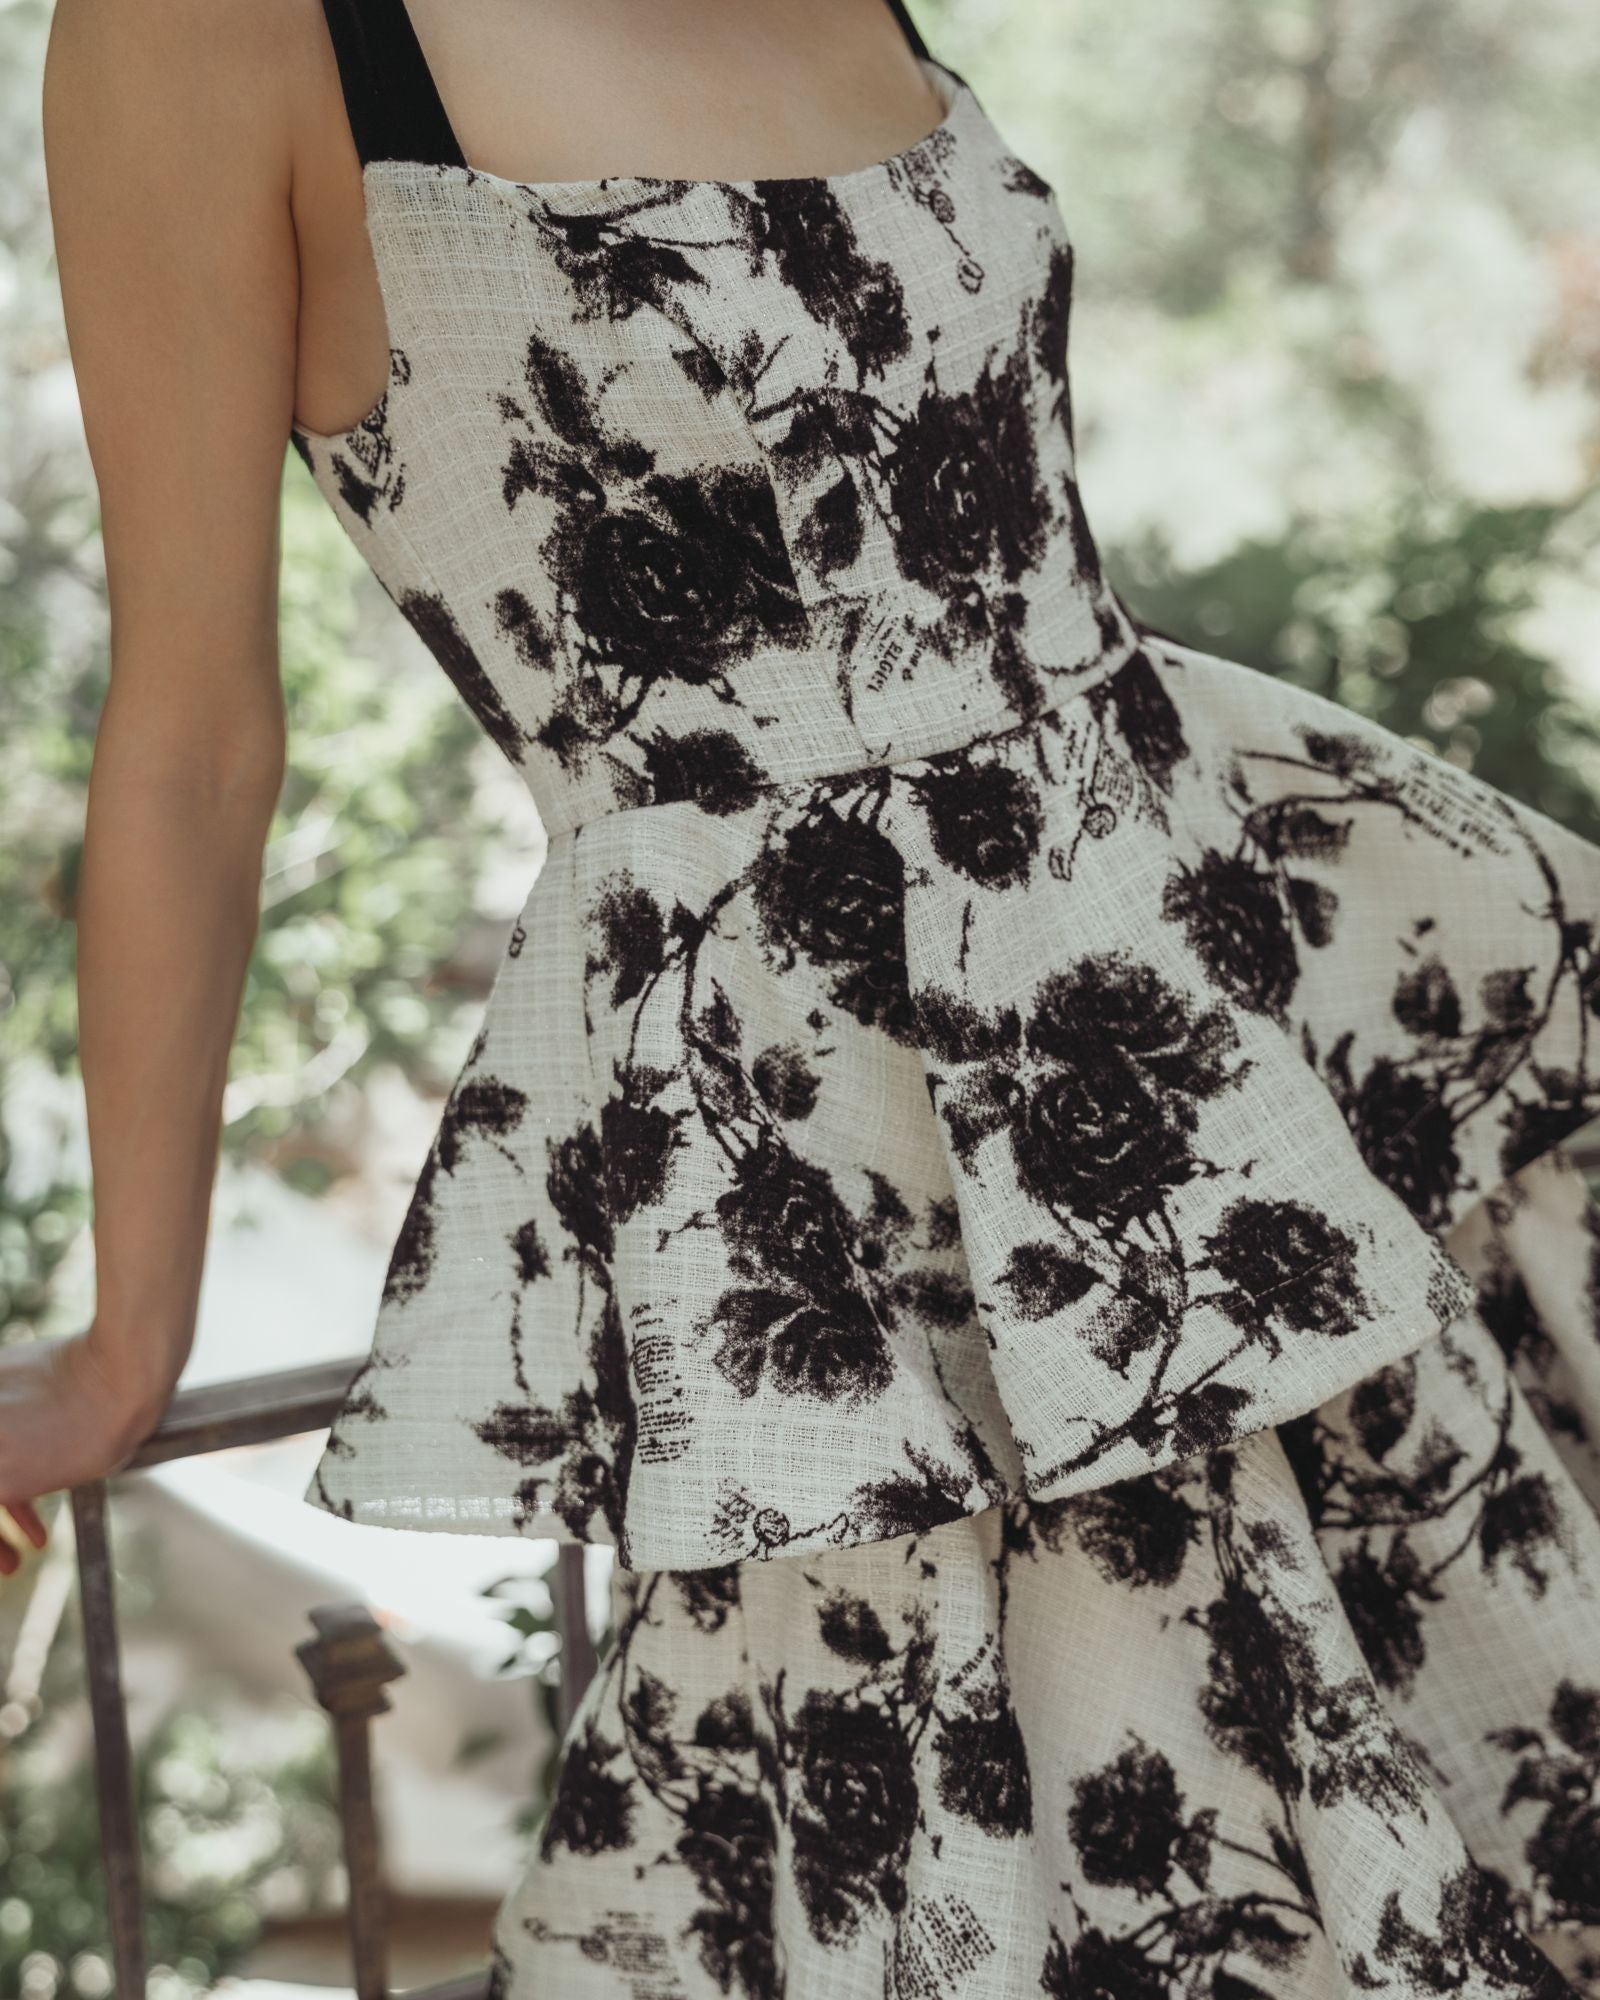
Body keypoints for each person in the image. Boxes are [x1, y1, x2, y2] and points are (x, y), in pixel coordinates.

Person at [24, 0, 1600, 1992]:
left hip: (1230, 1010)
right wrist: (127, 1330)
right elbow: (186, 736)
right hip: (833, 1149)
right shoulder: (219, 36)